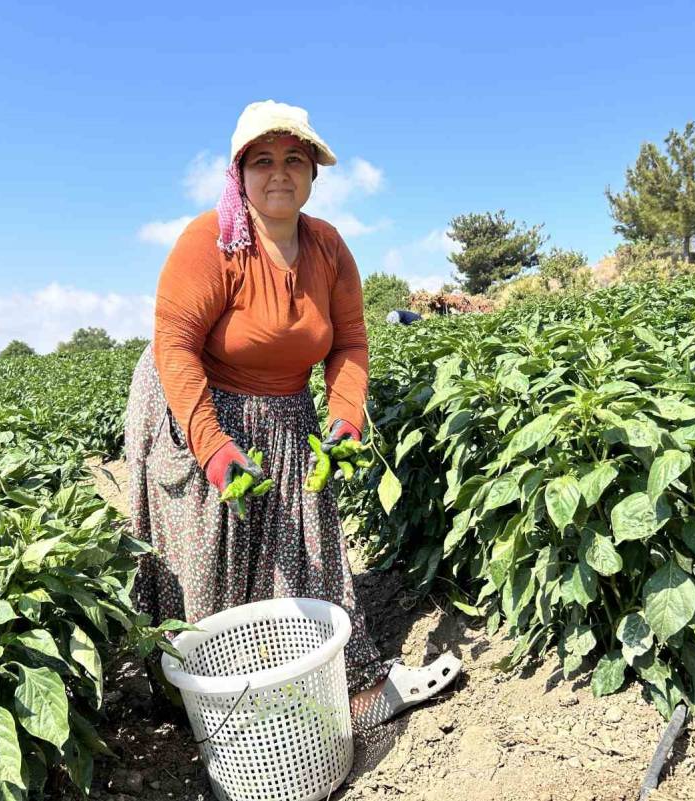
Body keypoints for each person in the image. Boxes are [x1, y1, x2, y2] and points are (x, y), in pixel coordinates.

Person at [124, 100, 460, 729]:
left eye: (295, 160)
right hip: (196, 399)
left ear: (312, 174)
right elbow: (174, 347)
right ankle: (215, 705)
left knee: (306, 540)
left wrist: (346, 416)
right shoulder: (210, 241)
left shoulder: (328, 247)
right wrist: (214, 448)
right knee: (211, 548)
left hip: (285, 408)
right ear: (239, 174)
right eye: (264, 161)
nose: (280, 173)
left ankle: (350, 691)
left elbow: (350, 341)